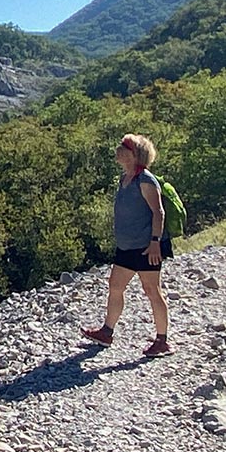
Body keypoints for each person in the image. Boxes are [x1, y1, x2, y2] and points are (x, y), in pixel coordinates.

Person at [81, 133, 172, 357]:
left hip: (146, 246)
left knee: (152, 290)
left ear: (135, 154)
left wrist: (155, 243)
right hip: (127, 246)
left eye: (124, 147)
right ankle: (107, 332)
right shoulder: (125, 178)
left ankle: (162, 341)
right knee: (115, 286)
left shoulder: (146, 180)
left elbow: (158, 213)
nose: (119, 150)